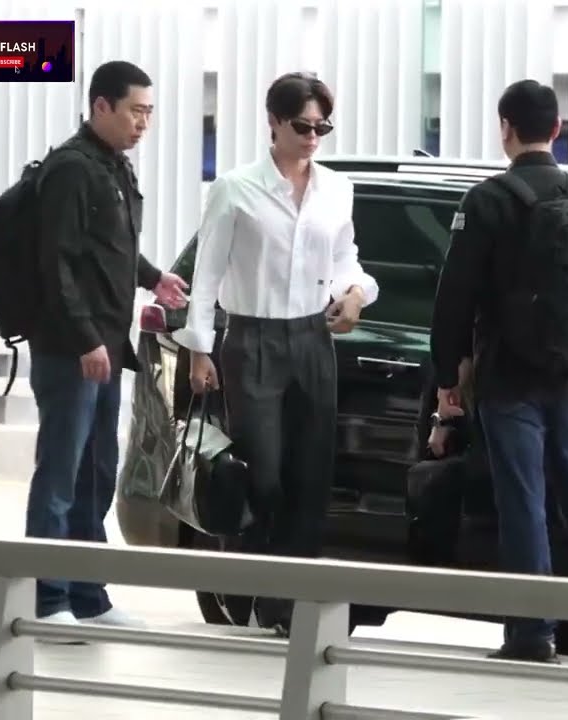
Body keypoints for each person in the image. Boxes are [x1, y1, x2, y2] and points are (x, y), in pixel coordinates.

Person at [429, 79, 568, 668]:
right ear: (557, 131)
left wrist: (448, 376)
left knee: (525, 503)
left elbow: (454, 297)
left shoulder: (488, 200)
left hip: (509, 377)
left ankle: (532, 635)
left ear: (505, 129)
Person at [173, 72, 378, 636]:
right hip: (251, 340)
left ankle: (289, 601)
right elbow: (207, 273)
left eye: (322, 127)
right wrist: (200, 349)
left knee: (312, 473)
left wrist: (357, 292)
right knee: (263, 472)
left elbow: (346, 261)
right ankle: (249, 579)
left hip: (312, 339)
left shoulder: (337, 189)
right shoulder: (235, 188)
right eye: (303, 125)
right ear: (274, 122)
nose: (313, 136)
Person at [26, 60, 189, 631]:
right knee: (61, 474)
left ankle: (87, 595)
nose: (144, 123)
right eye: (135, 111)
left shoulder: (113, 167)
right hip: (72, 351)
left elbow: (108, 251)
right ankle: (46, 599)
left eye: (149, 113)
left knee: (97, 469)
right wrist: (86, 340)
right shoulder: (72, 169)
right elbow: (59, 264)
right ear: (101, 107)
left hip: (103, 348)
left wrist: (153, 277)